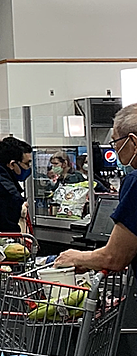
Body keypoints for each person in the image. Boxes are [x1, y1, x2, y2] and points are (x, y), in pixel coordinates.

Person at [57, 104, 137, 273]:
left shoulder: (135, 182)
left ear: (133, 141)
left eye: (115, 142)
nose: (114, 148)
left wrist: (76, 257)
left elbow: (114, 257)